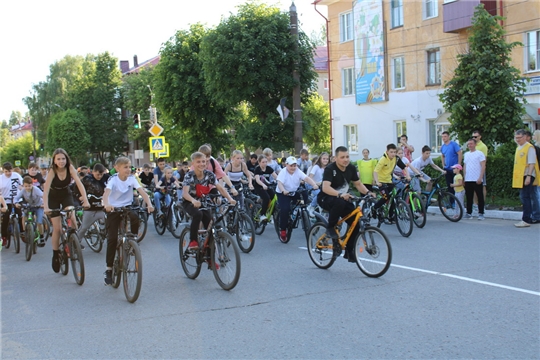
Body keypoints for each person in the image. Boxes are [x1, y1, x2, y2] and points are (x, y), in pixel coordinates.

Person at [103, 157, 154, 285]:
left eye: (129, 166)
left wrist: (149, 204)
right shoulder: (112, 179)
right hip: (113, 208)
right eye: (125, 167)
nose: (128, 169)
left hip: (127, 206)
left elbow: (142, 192)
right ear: (117, 168)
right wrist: (107, 204)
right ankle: (109, 269)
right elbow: (106, 194)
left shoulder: (132, 179)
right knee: (113, 239)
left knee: (135, 216)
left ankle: (133, 239)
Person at [318, 146, 372, 261]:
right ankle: (330, 227)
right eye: (342, 157)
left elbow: (358, 184)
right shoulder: (330, 169)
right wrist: (339, 194)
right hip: (326, 198)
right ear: (336, 158)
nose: (346, 159)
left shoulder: (350, 168)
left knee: (355, 223)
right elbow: (325, 187)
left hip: (342, 199)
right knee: (339, 202)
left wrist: (368, 192)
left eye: (347, 157)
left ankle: (349, 251)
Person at [43, 149, 90, 273]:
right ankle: (55, 253)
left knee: (72, 216)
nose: (61, 161)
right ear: (54, 160)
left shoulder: (70, 168)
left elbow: (79, 184)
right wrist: (46, 207)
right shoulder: (52, 170)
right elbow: (46, 190)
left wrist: (85, 200)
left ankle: (72, 241)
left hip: (65, 194)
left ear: (66, 159)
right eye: (58, 159)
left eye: (63, 159)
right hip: (53, 196)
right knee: (57, 228)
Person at [182, 152, 236, 250]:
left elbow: (220, 188)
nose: (202, 164)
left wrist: (230, 199)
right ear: (193, 164)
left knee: (210, 227)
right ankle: (193, 241)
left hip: (203, 202)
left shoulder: (209, 175)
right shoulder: (189, 176)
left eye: (203, 161)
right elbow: (185, 193)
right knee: (198, 214)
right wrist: (193, 201)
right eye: (198, 162)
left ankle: (209, 257)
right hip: (190, 202)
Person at [276, 156, 319, 241]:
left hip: (294, 192)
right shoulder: (283, 172)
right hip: (283, 193)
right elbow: (279, 183)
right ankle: (283, 230)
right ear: (286, 165)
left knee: (304, 195)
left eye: (295, 165)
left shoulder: (297, 171)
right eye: (291, 165)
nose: (293, 167)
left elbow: (306, 178)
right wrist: (283, 190)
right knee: (285, 209)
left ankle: (297, 211)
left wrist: (314, 184)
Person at [76, 163, 109, 249]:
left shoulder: (105, 178)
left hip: (101, 208)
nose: (99, 176)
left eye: (101, 174)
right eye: (98, 174)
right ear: (93, 172)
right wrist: (80, 196)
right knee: (84, 228)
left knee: (109, 222)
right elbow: (77, 187)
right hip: (90, 209)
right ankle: (76, 242)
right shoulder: (87, 179)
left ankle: (103, 232)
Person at [512, 129, 540, 227]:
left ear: (524, 137)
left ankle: (526, 219)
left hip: (527, 175)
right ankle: (527, 218)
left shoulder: (529, 147)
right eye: (516, 137)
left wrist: (528, 176)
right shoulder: (519, 147)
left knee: (526, 197)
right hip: (520, 176)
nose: (517, 139)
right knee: (524, 197)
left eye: (519, 138)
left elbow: (532, 163)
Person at [372, 144, 410, 216]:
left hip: (389, 180)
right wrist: (377, 182)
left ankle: (390, 215)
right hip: (381, 182)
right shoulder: (383, 159)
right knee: (386, 197)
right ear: (387, 152)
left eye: (394, 152)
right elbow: (375, 171)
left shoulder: (396, 158)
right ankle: (374, 207)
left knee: (393, 197)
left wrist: (407, 176)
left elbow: (404, 167)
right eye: (391, 152)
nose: (393, 154)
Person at [14, 176, 45, 246]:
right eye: (26, 186)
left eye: (29, 186)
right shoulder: (23, 191)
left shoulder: (36, 190)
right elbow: (16, 198)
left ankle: (42, 237)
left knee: (39, 222)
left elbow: (43, 196)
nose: (28, 188)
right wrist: (16, 203)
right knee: (24, 217)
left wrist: (44, 204)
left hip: (38, 206)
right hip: (29, 206)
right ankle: (25, 232)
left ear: (32, 184)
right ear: (23, 186)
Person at [0, 162, 24, 248]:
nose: (8, 173)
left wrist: (23, 191)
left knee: (21, 215)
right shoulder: (1, 178)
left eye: (9, 171)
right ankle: (4, 237)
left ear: (12, 169)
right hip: (6, 201)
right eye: (6, 171)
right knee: (5, 218)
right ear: (3, 171)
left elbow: (21, 185)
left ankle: (22, 232)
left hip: (16, 199)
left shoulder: (16, 175)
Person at [463, 139, 486, 220]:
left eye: (471, 144)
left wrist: (480, 177)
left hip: (477, 178)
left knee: (480, 196)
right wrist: (464, 177)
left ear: (475, 144)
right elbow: (465, 166)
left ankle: (481, 213)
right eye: (468, 144)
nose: (470, 145)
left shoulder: (480, 154)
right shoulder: (466, 154)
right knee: (469, 197)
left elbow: (483, 166)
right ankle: (469, 213)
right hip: (468, 179)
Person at [253, 155, 278, 222]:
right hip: (259, 187)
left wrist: (281, 182)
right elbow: (257, 180)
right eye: (263, 162)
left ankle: (271, 215)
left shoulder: (268, 168)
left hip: (267, 186)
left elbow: (276, 176)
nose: (265, 164)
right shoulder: (257, 169)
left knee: (274, 197)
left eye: (266, 162)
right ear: (259, 162)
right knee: (266, 198)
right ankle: (262, 215)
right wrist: (263, 185)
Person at [440, 131, 463, 197]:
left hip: (455, 169)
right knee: (449, 185)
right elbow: (443, 155)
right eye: (442, 137)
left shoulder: (454, 144)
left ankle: (458, 199)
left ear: (448, 137)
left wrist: (458, 165)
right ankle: (452, 201)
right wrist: (443, 165)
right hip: (447, 168)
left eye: (445, 136)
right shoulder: (443, 147)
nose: (444, 138)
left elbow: (459, 153)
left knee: (457, 183)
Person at [472, 130, 488, 214]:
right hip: (473, 170)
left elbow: (484, 160)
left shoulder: (483, 146)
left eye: (476, 137)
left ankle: (482, 203)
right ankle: (475, 204)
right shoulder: (472, 145)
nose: (474, 138)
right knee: (474, 187)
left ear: (479, 137)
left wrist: (482, 169)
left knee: (483, 186)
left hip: (480, 169)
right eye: (473, 137)